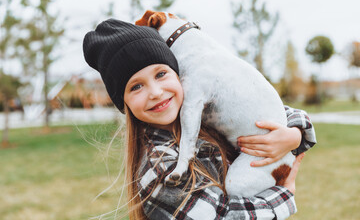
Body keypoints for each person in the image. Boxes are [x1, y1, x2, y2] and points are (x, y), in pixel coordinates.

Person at [83, 19, 316, 220]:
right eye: (136, 87)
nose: (155, 92)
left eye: (161, 74)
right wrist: (284, 195)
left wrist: (293, 134)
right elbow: (221, 216)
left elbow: (270, 112)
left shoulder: (199, 119)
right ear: (124, 103)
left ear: (180, 74)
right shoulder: (160, 167)